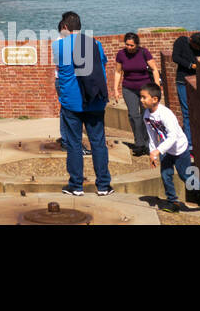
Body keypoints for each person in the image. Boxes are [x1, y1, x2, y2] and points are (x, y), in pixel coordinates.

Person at [54, 11, 113, 197]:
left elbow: (60, 72)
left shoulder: (59, 45)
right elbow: (102, 65)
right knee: (98, 143)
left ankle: (76, 185)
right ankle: (103, 185)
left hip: (71, 103)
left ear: (64, 27)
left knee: (74, 144)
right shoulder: (95, 43)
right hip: (95, 101)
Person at [140, 82, 200, 212]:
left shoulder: (166, 114)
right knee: (166, 174)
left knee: (185, 177)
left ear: (155, 99)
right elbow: (152, 135)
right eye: (141, 97)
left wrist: (158, 150)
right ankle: (173, 202)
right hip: (166, 149)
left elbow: (173, 137)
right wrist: (153, 152)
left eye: (144, 97)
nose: (141, 100)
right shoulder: (146, 115)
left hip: (179, 148)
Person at [112, 32, 161, 157]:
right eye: (127, 45)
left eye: (132, 45)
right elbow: (118, 72)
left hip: (145, 89)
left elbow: (155, 69)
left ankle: (148, 143)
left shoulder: (144, 52)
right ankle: (139, 143)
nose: (129, 47)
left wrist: (156, 88)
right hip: (128, 88)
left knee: (146, 115)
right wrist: (116, 89)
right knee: (133, 116)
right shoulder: (121, 54)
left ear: (137, 45)